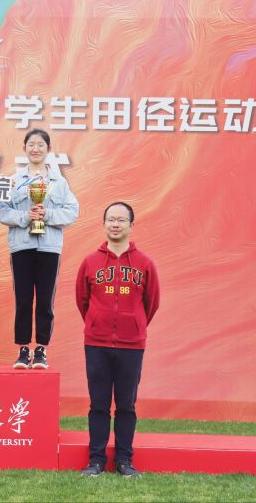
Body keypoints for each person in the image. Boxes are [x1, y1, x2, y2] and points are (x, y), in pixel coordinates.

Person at [75, 202, 160, 478]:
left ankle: (124, 460)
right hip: (96, 343)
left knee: (126, 405)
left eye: (121, 220)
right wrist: (96, 323)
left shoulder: (145, 264)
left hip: (131, 345)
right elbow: (82, 300)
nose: (115, 224)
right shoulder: (90, 262)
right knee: (98, 404)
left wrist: (133, 324)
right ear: (104, 224)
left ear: (131, 226)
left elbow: (151, 303)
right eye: (111, 219)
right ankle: (96, 460)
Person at [0, 129, 79, 370]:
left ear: (48, 149)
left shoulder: (59, 182)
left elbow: (72, 210)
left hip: (49, 247)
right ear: (24, 148)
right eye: (31, 144)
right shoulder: (13, 180)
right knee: (23, 300)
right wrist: (25, 217)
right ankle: (23, 349)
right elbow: (1, 209)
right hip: (21, 245)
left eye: (41, 145)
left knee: (45, 300)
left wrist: (47, 214)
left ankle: (41, 349)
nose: (35, 149)